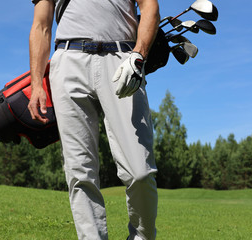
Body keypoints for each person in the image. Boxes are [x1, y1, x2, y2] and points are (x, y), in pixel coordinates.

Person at [28, 0, 160, 239]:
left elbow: (149, 6)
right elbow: (41, 25)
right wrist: (37, 84)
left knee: (140, 170)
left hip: (122, 59)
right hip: (68, 61)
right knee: (80, 172)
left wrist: (138, 56)